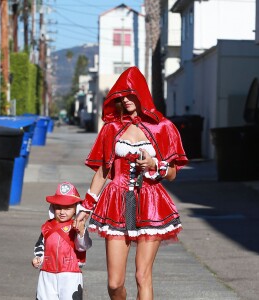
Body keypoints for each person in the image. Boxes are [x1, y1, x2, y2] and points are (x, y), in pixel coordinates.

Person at [75, 66, 188, 300]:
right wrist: (85, 208)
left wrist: (156, 165)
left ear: (141, 93)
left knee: (142, 275)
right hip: (117, 202)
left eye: (130, 94)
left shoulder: (163, 128)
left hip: (150, 202)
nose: (125, 100)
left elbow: (173, 173)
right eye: (121, 96)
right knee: (115, 284)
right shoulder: (112, 128)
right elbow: (102, 172)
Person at [32, 182, 92, 300]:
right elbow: (40, 244)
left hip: (70, 273)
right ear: (53, 207)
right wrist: (38, 257)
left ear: (76, 209)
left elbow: (83, 246)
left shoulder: (77, 226)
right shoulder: (47, 226)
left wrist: (80, 232)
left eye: (67, 208)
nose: (62, 212)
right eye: (58, 208)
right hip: (47, 273)